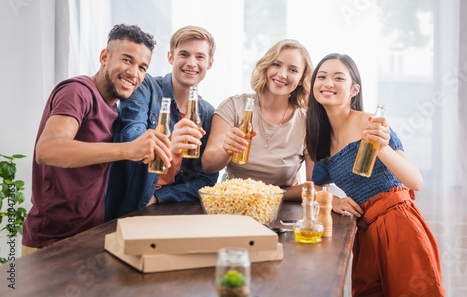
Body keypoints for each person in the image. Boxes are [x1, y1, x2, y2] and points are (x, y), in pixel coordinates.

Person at [22, 24, 169, 254]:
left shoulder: (113, 106)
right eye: (127, 60)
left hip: (90, 235)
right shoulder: (78, 92)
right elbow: (48, 150)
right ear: (104, 57)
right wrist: (127, 149)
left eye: (142, 67)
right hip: (52, 242)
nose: (134, 73)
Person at [306, 53, 445, 296]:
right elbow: (314, 188)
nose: (328, 83)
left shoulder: (372, 123)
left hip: (400, 224)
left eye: (339, 77)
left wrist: (382, 148)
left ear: (354, 90)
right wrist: (336, 201)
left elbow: (416, 181)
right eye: (322, 77)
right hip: (366, 231)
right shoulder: (321, 144)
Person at [105, 25, 219, 221]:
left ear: (209, 63)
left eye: (200, 57)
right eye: (184, 54)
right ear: (170, 57)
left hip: (170, 209)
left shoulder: (207, 112)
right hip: (128, 207)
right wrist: (168, 141)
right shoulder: (145, 87)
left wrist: (159, 197)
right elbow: (129, 134)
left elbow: (206, 180)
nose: (191, 63)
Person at [202, 39, 315, 200]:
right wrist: (226, 150)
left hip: (282, 207)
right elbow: (208, 166)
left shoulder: (307, 123)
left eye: (293, 70)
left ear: (302, 79)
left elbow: (314, 187)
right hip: (232, 203)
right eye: (276, 64)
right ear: (266, 66)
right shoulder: (233, 106)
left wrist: (267, 195)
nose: (282, 74)